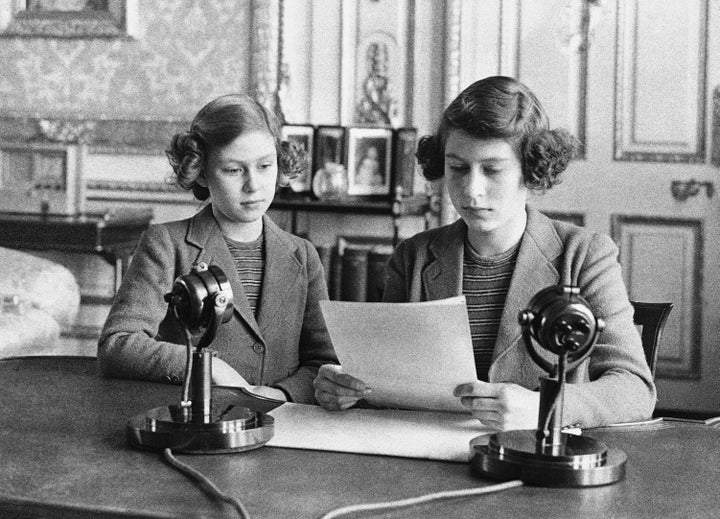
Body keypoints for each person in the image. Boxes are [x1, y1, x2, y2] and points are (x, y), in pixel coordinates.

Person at [313, 76, 656, 429]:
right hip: (427, 457)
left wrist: (544, 407)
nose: (471, 190)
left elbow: (635, 389)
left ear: (532, 169)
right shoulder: (412, 257)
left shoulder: (585, 256)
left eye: (492, 170)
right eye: (457, 168)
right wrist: (343, 388)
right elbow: (385, 382)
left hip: (537, 461)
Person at [98, 94, 337, 404]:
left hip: (282, 427)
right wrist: (205, 367)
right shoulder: (166, 245)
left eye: (265, 166)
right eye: (234, 171)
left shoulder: (304, 256)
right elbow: (118, 345)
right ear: (202, 171)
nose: (254, 185)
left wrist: (279, 394)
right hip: (192, 424)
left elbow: (323, 364)